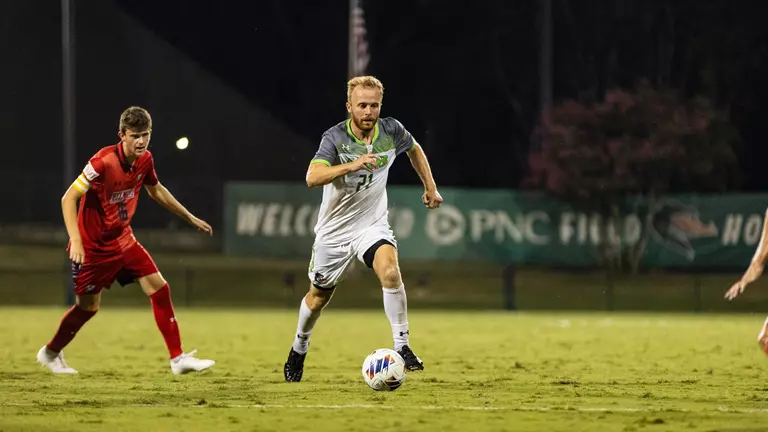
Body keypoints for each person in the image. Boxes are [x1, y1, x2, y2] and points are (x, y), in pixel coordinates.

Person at [283, 76, 443, 382]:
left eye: (374, 105)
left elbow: (415, 149)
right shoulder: (334, 138)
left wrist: (430, 187)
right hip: (334, 232)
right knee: (317, 298)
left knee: (391, 272)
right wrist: (352, 165)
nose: (369, 111)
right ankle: (299, 347)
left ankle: (403, 347)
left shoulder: (392, 130)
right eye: (362, 105)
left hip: (371, 225)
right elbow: (312, 178)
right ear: (349, 107)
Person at [36, 106, 215, 375]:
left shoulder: (145, 160)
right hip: (93, 248)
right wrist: (76, 240)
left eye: (146, 135)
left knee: (159, 288)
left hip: (123, 239)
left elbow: (157, 191)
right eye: (135, 136)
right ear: (121, 135)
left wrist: (189, 217)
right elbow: (68, 198)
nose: (141, 141)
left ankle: (178, 359)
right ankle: (50, 353)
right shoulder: (101, 163)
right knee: (88, 308)